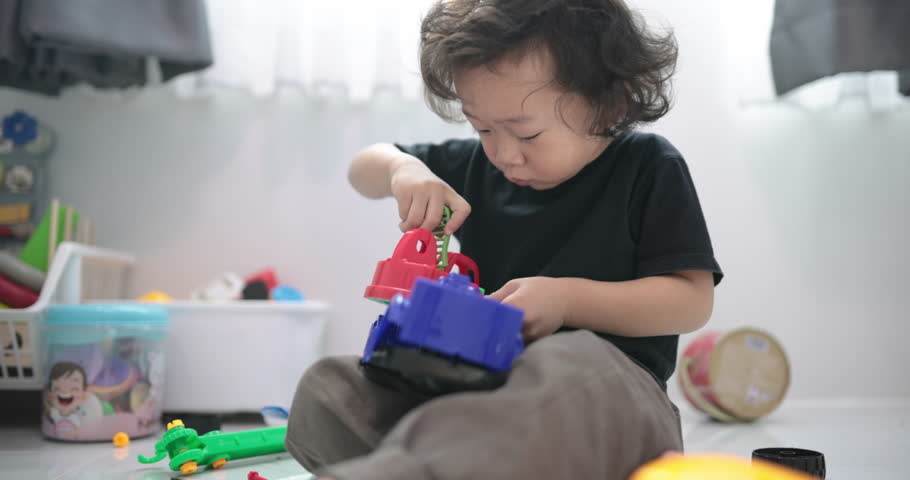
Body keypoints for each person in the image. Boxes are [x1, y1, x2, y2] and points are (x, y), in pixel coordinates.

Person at [286, 1, 722, 478]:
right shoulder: (478, 166)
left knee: (568, 363)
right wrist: (402, 170)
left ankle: (415, 467)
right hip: (484, 391)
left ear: (610, 103)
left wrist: (565, 299)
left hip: (612, 406)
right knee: (330, 387)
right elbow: (364, 168)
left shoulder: (647, 166)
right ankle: (431, 464)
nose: (504, 154)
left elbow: (691, 301)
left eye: (527, 134)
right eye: (482, 128)